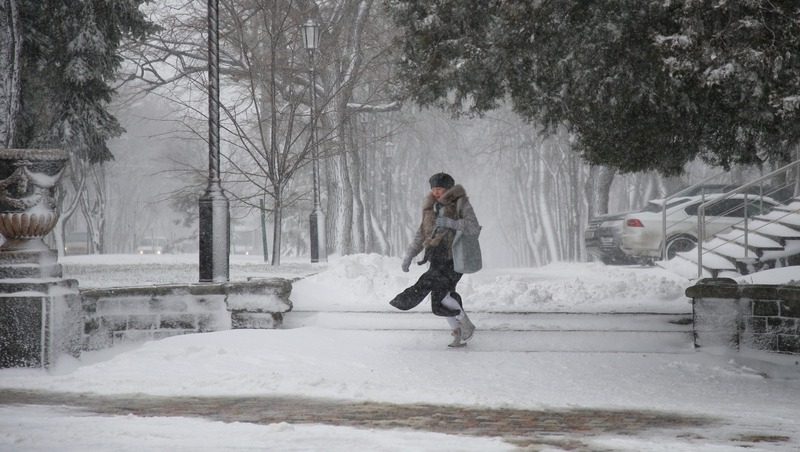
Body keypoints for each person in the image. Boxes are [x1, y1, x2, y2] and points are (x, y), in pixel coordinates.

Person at [389, 172, 481, 347]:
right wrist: (409, 255)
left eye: (440, 189)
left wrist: (451, 223)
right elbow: (421, 234)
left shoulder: (461, 203)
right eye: (434, 189)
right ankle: (459, 331)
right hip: (436, 258)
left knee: (441, 295)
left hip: (455, 257)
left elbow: (473, 227)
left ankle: (465, 324)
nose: (436, 192)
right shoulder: (431, 208)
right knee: (440, 298)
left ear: (449, 188)